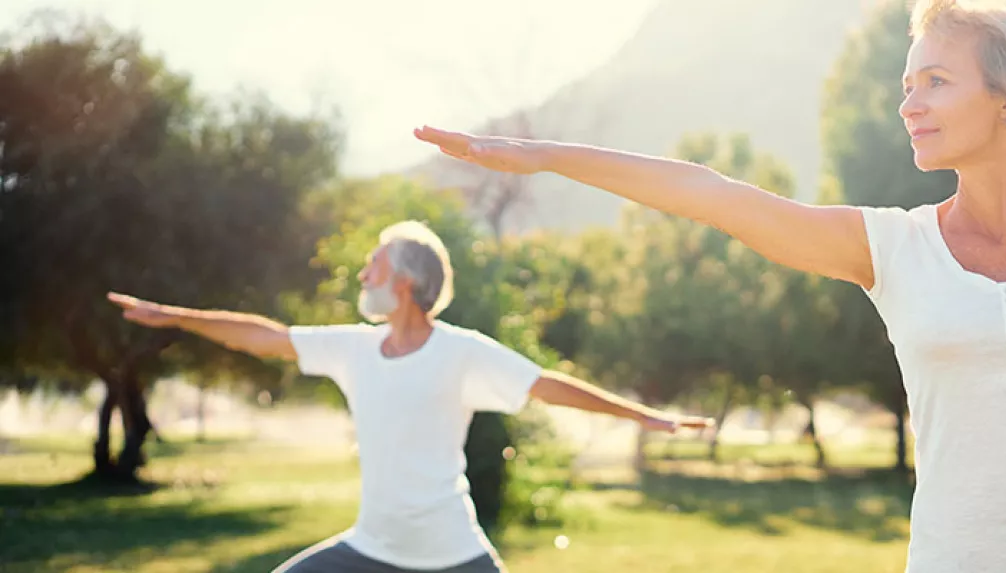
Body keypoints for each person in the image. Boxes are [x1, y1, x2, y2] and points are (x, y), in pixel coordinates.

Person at [410, 0, 1006, 570]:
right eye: (906, 85)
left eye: (935, 81)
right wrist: (537, 155)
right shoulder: (888, 248)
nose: (908, 102)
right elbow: (710, 193)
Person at [107, 220, 713, 573]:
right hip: (370, 548)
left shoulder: (462, 352)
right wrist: (174, 317)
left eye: (373, 266)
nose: (362, 275)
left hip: (451, 554)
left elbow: (546, 386)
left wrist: (646, 417)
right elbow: (265, 338)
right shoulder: (353, 348)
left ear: (404, 284)